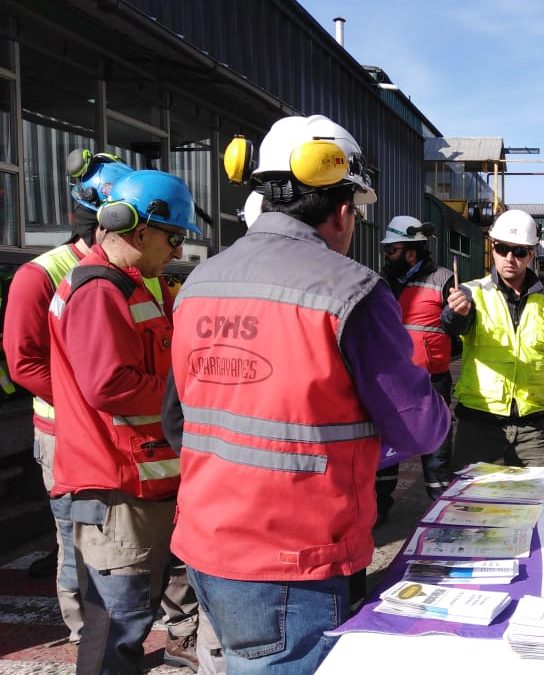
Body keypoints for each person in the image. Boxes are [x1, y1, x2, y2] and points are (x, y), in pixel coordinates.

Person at [162, 114, 450, 674]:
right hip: (296, 562)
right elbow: (419, 426)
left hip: (204, 543)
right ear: (342, 210)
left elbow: (180, 415)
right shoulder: (351, 290)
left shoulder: (199, 282)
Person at [48, 169, 200, 674]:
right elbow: (109, 385)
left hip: (133, 480)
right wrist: (191, 397)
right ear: (140, 233)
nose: (177, 251)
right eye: (174, 237)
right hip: (116, 486)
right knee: (117, 627)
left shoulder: (133, 284)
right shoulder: (100, 291)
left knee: (123, 622)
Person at [2, 150, 131, 646]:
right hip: (67, 435)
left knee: (117, 538)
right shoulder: (41, 275)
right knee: (76, 539)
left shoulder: (129, 271)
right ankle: (86, 638)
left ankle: (123, 630)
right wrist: (87, 403)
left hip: (120, 429)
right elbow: (25, 364)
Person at [443, 209, 544, 469]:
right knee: (469, 505)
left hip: (530, 427)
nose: (510, 258)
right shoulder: (471, 293)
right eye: (502, 249)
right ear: (493, 247)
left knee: (532, 501)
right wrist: (457, 313)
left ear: (532, 254)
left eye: (520, 251)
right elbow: (453, 328)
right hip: (479, 422)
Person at [374, 215, 455, 525]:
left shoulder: (444, 280)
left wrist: (458, 314)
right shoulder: (381, 283)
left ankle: (441, 510)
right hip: (390, 378)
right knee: (386, 446)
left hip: (431, 381)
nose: (386, 256)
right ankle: (379, 507)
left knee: (436, 446)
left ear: (411, 251)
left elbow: (457, 327)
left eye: (391, 250)